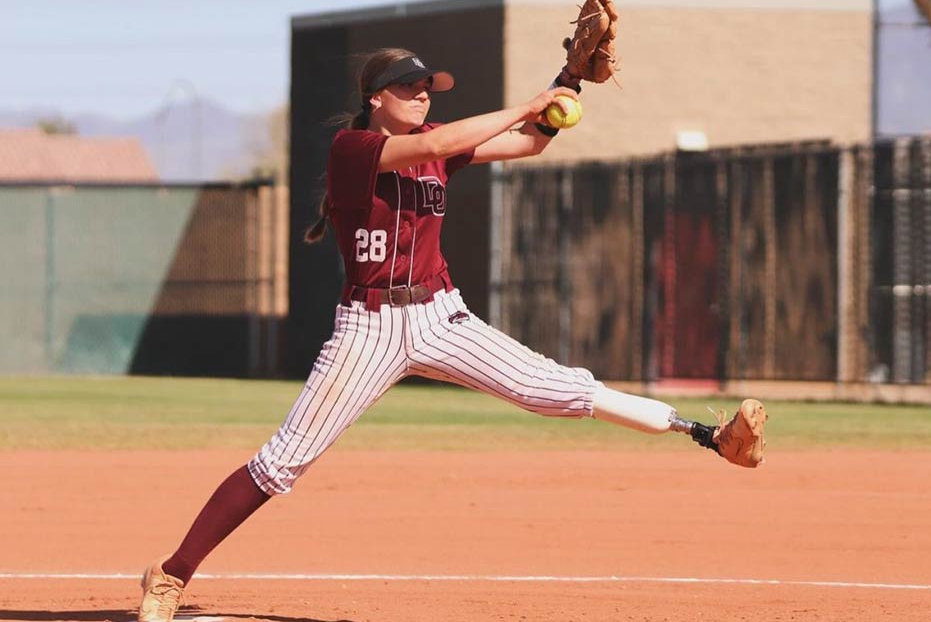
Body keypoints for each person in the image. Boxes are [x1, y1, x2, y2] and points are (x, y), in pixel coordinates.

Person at [137, 47, 765, 622]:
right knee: (283, 462)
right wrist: (529, 100)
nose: (422, 96)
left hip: (440, 314)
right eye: (408, 88)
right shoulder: (353, 148)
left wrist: (569, 82)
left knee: (556, 389)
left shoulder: (436, 140)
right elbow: (456, 140)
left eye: (427, 87)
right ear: (376, 98)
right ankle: (170, 576)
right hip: (371, 327)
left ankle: (711, 437)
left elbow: (528, 144)